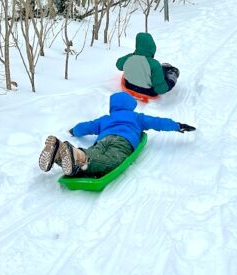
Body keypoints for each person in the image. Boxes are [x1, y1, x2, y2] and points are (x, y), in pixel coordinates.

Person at [38, 92, 196, 177]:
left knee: (95, 153)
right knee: (110, 161)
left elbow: (86, 126)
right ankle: (79, 158)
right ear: (130, 106)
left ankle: (60, 153)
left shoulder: (106, 119)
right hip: (123, 142)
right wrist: (177, 126)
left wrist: (74, 130)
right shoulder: (137, 118)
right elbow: (157, 122)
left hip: (103, 140)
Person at [116, 32, 179, 97]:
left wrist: (136, 54)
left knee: (149, 69)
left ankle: (163, 69)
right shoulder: (155, 65)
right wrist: (171, 82)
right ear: (152, 47)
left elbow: (119, 65)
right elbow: (160, 89)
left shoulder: (129, 58)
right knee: (162, 73)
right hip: (148, 91)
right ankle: (171, 72)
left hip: (129, 86)